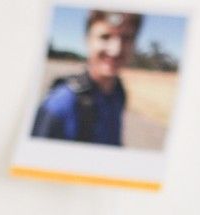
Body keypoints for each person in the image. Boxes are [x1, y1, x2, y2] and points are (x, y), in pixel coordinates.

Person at [31, 10, 142, 146]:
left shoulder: (119, 92)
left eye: (126, 38)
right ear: (87, 40)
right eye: (105, 37)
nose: (116, 49)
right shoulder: (59, 104)